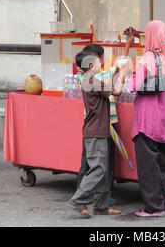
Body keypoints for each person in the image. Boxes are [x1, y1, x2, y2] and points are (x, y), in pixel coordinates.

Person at [68, 46, 125, 218]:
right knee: (98, 168)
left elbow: (106, 87)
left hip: (96, 130)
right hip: (96, 132)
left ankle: (101, 206)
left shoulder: (88, 79)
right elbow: (117, 91)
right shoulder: (92, 81)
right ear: (91, 66)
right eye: (99, 61)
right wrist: (122, 74)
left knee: (102, 167)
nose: (101, 63)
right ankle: (78, 199)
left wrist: (115, 72)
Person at [127, 20, 165, 217]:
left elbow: (135, 85)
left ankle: (154, 208)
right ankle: (164, 204)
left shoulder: (147, 58)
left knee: (148, 166)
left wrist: (124, 78)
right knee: (162, 164)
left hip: (147, 119)